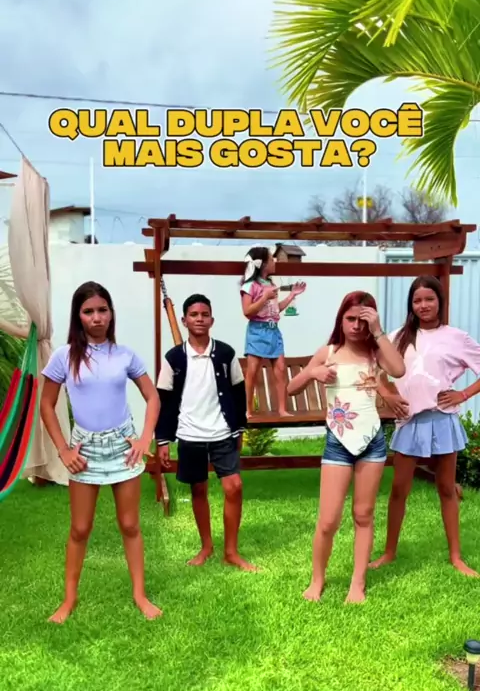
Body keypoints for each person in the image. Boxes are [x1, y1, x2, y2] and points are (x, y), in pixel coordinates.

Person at [40, 281, 162, 624]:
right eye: (88, 311)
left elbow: (153, 397)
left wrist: (145, 439)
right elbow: (46, 405)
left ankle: (140, 595)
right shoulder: (64, 356)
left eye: (102, 310)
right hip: (85, 451)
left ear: (111, 313)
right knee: (80, 528)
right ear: (78, 316)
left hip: (123, 448)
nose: (96, 318)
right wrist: (63, 450)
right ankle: (69, 600)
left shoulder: (124, 355)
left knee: (130, 524)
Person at [288, 291, 406, 603]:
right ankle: (317, 580)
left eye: (362, 320)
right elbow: (291, 388)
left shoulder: (376, 353)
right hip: (338, 443)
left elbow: (399, 370)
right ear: (340, 319)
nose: (356, 325)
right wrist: (312, 372)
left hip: (372, 442)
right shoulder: (328, 352)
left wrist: (378, 331)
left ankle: (357, 584)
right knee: (328, 520)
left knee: (363, 514)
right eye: (350, 318)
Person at [370, 275, 480, 577]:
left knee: (446, 488)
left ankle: (456, 557)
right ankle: (389, 552)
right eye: (417, 300)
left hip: (442, 419)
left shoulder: (456, 337)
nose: (423, 305)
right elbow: (373, 370)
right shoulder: (397, 336)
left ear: (440, 302)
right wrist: (388, 395)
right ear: (411, 305)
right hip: (409, 422)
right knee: (398, 489)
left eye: (429, 299)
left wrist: (463, 394)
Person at [156, 293, 256, 571]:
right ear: (184, 320)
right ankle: (207, 546)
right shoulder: (174, 358)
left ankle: (231, 552)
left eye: (204, 315)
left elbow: (238, 392)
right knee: (198, 489)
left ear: (212, 319)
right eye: (194, 315)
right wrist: (162, 440)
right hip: (190, 434)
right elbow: (164, 400)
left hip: (222, 432)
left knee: (234, 487)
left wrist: (239, 429)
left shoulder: (225, 354)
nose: (199, 319)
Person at [240, 246, 306, 418]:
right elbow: (247, 311)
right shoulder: (249, 286)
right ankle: (248, 409)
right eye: (271, 259)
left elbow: (276, 309)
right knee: (252, 371)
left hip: (273, 330)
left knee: (280, 370)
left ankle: (282, 409)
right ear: (262, 264)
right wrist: (264, 297)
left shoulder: (271, 284)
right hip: (257, 331)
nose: (274, 261)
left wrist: (291, 295)